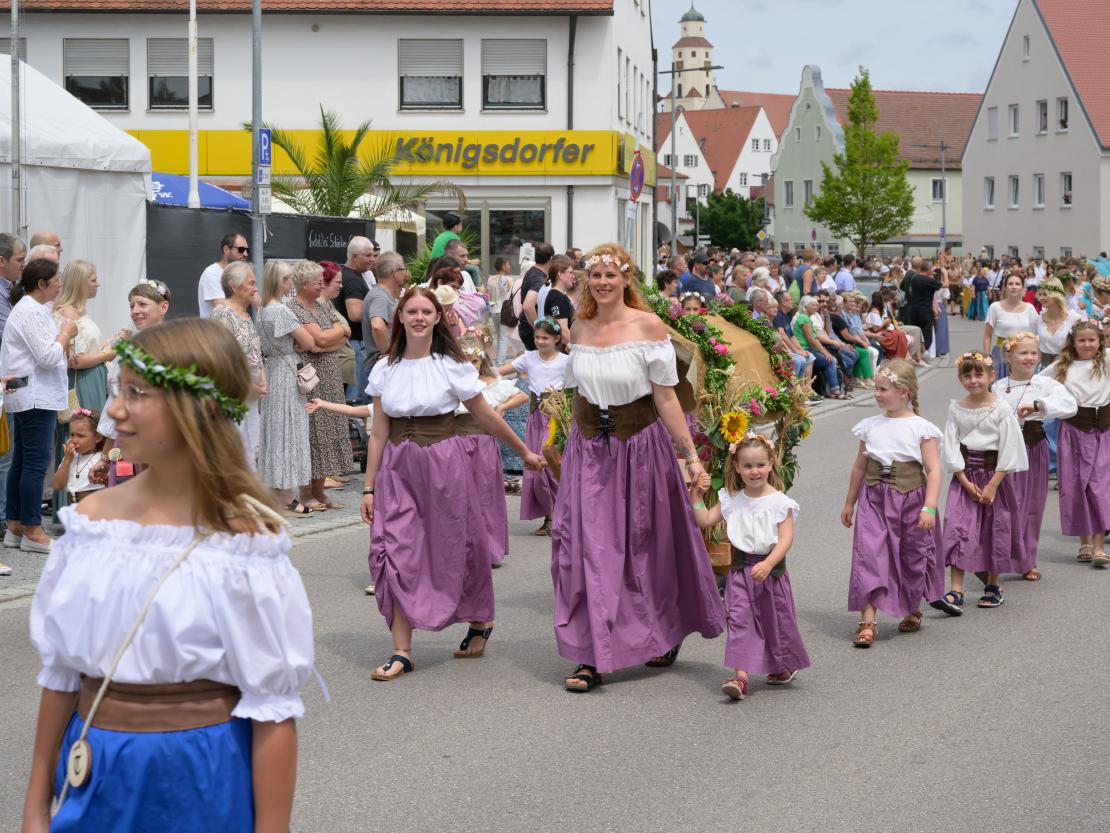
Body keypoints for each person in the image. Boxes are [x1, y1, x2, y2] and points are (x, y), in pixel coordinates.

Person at [23, 319, 314, 833]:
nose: (115, 410)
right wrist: (34, 809)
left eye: (137, 393)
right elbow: (62, 675)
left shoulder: (244, 545)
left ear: (196, 408)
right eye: (119, 391)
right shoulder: (90, 527)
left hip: (201, 775)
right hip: (95, 768)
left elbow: (272, 711)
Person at [550, 243, 725, 693]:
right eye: (597, 276)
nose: (604, 282)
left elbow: (666, 397)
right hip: (590, 451)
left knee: (648, 547)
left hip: (641, 449)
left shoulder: (648, 326)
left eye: (612, 275)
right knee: (589, 548)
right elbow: (578, 398)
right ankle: (591, 655)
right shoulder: (581, 329)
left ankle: (663, 630)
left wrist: (690, 458)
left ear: (627, 279)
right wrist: (565, 451)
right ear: (587, 281)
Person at [361, 287, 543, 681]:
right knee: (393, 549)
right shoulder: (384, 368)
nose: (419, 318)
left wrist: (524, 452)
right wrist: (368, 486)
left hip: (442, 464)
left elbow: (485, 416)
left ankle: (479, 619)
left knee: (457, 547)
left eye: (427, 311)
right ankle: (402, 651)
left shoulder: (450, 364)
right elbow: (378, 432)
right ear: (401, 318)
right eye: (412, 311)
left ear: (437, 317)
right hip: (397, 468)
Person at [690, 433, 808, 700]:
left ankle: (781, 666)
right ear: (737, 467)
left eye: (760, 465)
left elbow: (786, 537)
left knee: (776, 621)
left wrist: (768, 563)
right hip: (741, 572)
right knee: (739, 620)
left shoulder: (780, 502)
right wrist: (696, 496)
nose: (754, 471)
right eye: (747, 466)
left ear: (770, 465)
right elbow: (705, 520)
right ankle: (740, 677)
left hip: (771, 571)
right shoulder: (732, 499)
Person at [841, 361, 943, 645]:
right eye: (876, 388)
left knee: (911, 554)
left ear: (903, 392)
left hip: (911, 497)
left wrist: (929, 507)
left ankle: (912, 608)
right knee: (870, 555)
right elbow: (859, 468)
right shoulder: (869, 426)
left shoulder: (922, 428)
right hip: (874, 497)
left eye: (882, 389)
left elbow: (934, 470)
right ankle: (867, 621)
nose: (877, 394)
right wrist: (850, 502)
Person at [939, 351, 1028, 613]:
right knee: (957, 528)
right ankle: (956, 590)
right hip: (964, 477)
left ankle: (993, 584)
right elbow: (951, 445)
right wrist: (963, 479)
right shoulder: (956, 407)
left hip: (993, 478)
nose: (973, 380)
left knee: (994, 528)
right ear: (959, 378)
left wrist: (993, 484)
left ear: (991, 376)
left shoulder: (1000, 408)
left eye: (979, 374)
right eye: (967, 375)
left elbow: (1010, 447)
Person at [1, 259, 77, 554]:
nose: (60, 284)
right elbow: (47, 356)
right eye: (56, 279)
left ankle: (16, 525)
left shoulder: (31, 309)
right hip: (35, 395)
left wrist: (61, 335)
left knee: (22, 460)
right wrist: (66, 333)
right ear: (42, 283)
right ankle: (32, 529)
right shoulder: (31, 310)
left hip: (29, 393)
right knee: (33, 462)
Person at [994, 333, 1076, 581]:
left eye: (1033, 353)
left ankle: (1027, 560)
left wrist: (1040, 406)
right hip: (1006, 452)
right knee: (1008, 505)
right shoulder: (997, 387)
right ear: (1008, 356)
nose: (1029, 358)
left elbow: (1070, 405)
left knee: (1032, 506)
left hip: (1034, 447)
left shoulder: (1044, 385)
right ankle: (1000, 557)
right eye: (1022, 353)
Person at [1041, 320, 1110, 567]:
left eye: (1092, 340)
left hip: (1102, 432)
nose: (1087, 344)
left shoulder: (1106, 360)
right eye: (1082, 340)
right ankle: (1085, 542)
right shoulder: (1062, 366)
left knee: (1100, 487)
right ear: (1073, 342)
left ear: (1100, 341)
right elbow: (1037, 384)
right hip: (1072, 432)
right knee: (1077, 485)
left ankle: (1100, 547)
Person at [456, 335, 528, 567]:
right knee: (460, 496)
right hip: (456, 444)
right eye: (465, 361)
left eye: (474, 362)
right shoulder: (453, 384)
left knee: (485, 496)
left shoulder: (489, 383)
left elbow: (521, 394)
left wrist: (502, 407)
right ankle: (464, 548)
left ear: (482, 361)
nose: (470, 366)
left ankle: (489, 548)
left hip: (483, 445)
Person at [287, 260, 352, 512]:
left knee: (330, 430)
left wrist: (326, 341)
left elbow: (339, 335)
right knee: (313, 434)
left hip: (331, 374)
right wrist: (328, 338)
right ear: (305, 284)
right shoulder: (294, 308)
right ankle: (306, 494)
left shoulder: (322, 306)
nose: (322, 286)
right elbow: (323, 338)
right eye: (318, 282)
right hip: (311, 378)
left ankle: (320, 491)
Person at [495, 319, 568, 537]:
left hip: (556, 418)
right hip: (536, 417)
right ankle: (550, 515)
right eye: (537, 337)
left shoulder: (566, 361)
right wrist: (477, 366)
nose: (540, 341)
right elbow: (500, 371)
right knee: (534, 468)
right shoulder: (529, 358)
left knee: (551, 463)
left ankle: (560, 515)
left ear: (556, 338)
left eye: (545, 338)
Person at [257, 260, 315, 516]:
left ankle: (278, 489)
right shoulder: (280, 311)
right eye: (289, 279)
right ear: (281, 282)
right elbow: (309, 341)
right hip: (287, 370)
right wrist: (298, 346)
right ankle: (286, 494)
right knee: (290, 429)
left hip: (272, 369)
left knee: (275, 429)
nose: (292, 283)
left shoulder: (261, 311)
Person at [210, 262, 266, 468]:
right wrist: (248, 386)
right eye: (251, 283)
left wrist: (262, 380)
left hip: (250, 396)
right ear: (235, 287)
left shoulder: (245, 314)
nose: (255, 288)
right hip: (232, 394)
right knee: (232, 450)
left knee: (250, 450)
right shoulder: (222, 314)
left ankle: (245, 496)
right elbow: (220, 358)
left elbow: (254, 352)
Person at [337, 236, 375, 402]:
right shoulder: (352, 280)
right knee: (355, 398)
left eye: (373, 255)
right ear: (354, 256)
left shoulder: (351, 276)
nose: (372, 259)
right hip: (356, 345)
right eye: (368, 256)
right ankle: (354, 428)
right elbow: (355, 314)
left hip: (353, 344)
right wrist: (381, 313)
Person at [983, 272, 1039, 379]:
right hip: (1002, 354)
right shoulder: (995, 307)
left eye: (1017, 284)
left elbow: (1036, 335)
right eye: (1010, 284)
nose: (1014, 287)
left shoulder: (1029, 308)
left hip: (1024, 356)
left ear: (1022, 287)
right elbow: (987, 335)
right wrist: (986, 357)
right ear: (1005, 287)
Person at [361, 251, 406, 373]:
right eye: (403, 269)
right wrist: (388, 353)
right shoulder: (380, 296)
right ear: (395, 273)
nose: (405, 272)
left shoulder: (382, 294)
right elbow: (377, 325)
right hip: (382, 365)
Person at [793, 296, 845, 399]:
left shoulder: (807, 317)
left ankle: (832, 389)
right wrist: (824, 352)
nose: (816, 306)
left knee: (831, 358)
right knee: (830, 361)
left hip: (809, 348)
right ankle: (834, 389)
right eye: (813, 305)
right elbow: (811, 339)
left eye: (816, 304)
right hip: (805, 348)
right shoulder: (804, 318)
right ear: (806, 307)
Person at [51, 408, 105, 505]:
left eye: (80, 436)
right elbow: (58, 485)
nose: (74, 440)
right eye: (72, 435)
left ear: (97, 437)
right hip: (72, 508)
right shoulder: (71, 457)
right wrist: (67, 460)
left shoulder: (102, 458)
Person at [197, 232, 248, 318]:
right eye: (241, 249)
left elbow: (258, 303)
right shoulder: (212, 273)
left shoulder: (241, 275)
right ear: (226, 249)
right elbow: (223, 310)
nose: (245, 254)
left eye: (247, 250)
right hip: (215, 331)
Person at [518, 243, 555, 351]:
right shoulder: (538, 278)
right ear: (551, 258)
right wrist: (540, 329)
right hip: (530, 329)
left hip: (526, 326)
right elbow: (528, 306)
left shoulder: (532, 271)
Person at [907, 260, 943, 355]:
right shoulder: (929, 281)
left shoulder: (914, 278)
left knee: (915, 334)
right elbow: (942, 284)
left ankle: (916, 355)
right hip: (925, 311)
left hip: (914, 310)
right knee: (927, 336)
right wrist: (943, 274)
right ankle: (921, 355)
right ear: (928, 269)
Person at [540, 255, 576, 347]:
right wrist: (576, 351)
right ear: (560, 274)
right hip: (563, 352)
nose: (573, 276)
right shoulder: (558, 298)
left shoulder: (556, 295)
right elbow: (562, 330)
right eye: (571, 272)